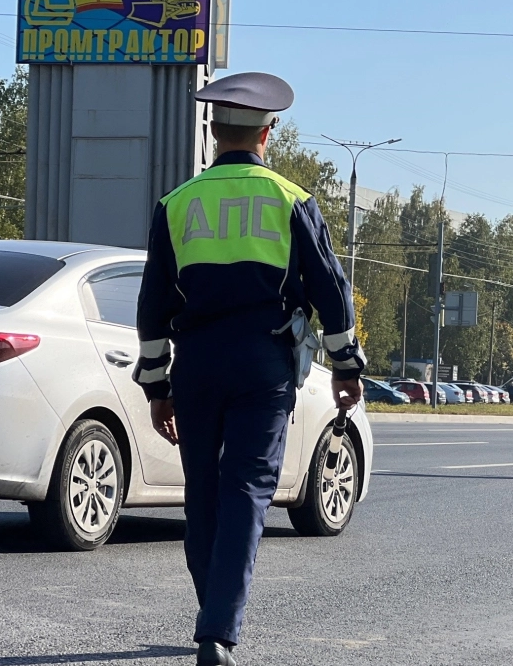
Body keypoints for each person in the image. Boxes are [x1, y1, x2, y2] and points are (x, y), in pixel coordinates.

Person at [132, 72, 366, 666]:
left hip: (197, 365)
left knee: (203, 496)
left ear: (213, 131)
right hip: (263, 363)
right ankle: (218, 630)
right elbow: (332, 292)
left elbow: (153, 306)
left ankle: (212, 611)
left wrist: (157, 387)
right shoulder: (293, 202)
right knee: (248, 491)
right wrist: (345, 367)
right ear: (269, 132)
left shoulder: (175, 205)